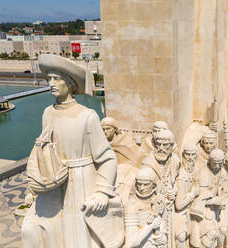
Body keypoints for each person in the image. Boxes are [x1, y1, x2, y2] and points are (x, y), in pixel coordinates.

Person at [22, 54, 119, 248]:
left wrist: (102, 191)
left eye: (56, 78)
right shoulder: (47, 113)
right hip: (52, 183)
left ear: (70, 83)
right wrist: (33, 187)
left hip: (80, 182)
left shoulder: (87, 116)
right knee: (31, 229)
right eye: (49, 78)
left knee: (75, 237)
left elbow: (107, 158)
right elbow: (43, 151)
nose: (51, 83)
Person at [124, 166, 166, 248]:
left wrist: (162, 236)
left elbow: (162, 223)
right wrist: (151, 226)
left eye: (146, 184)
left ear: (153, 185)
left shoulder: (159, 200)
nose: (142, 188)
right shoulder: (132, 205)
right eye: (139, 184)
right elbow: (131, 242)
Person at [174, 144, 200, 248]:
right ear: (183, 155)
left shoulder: (196, 171)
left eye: (193, 155)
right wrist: (193, 194)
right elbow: (179, 205)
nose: (190, 158)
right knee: (181, 236)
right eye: (187, 154)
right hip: (181, 212)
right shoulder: (181, 174)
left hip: (194, 210)